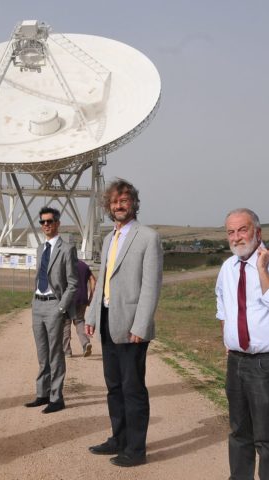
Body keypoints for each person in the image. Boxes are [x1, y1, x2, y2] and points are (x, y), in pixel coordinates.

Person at [85, 179, 163, 467]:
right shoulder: (109, 239)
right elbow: (103, 280)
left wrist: (141, 326)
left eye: (124, 201)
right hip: (108, 321)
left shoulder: (147, 237)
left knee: (133, 389)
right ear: (108, 206)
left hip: (132, 327)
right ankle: (118, 439)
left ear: (133, 204)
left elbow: (150, 287)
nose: (119, 206)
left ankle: (136, 449)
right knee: (114, 386)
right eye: (114, 202)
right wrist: (91, 316)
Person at [216, 208, 269, 480]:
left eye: (243, 229)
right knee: (239, 432)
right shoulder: (228, 267)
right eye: (231, 232)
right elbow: (222, 304)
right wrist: (228, 336)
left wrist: (262, 268)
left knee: (268, 436)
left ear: (257, 232)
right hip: (236, 361)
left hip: (266, 363)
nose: (236, 237)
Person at [24, 206, 79, 414]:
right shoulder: (40, 248)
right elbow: (40, 276)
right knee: (42, 353)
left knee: (56, 353)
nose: (46, 225)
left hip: (54, 305)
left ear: (57, 223)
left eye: (49, 221)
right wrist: (33, 301)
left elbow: (73, 283)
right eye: (43, 222)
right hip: (37, 304)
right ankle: (42, 394)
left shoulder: (67, 249)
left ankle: (57, 398)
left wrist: (61, 307)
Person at [63, 259, 95, 357]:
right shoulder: (84, 265)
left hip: (69, 298)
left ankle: (66, 351)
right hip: (82, 298)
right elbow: (93, 280)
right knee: (80, 321)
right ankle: (85, 344)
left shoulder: (66, 264)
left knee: (66, 323)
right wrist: (91, 296)